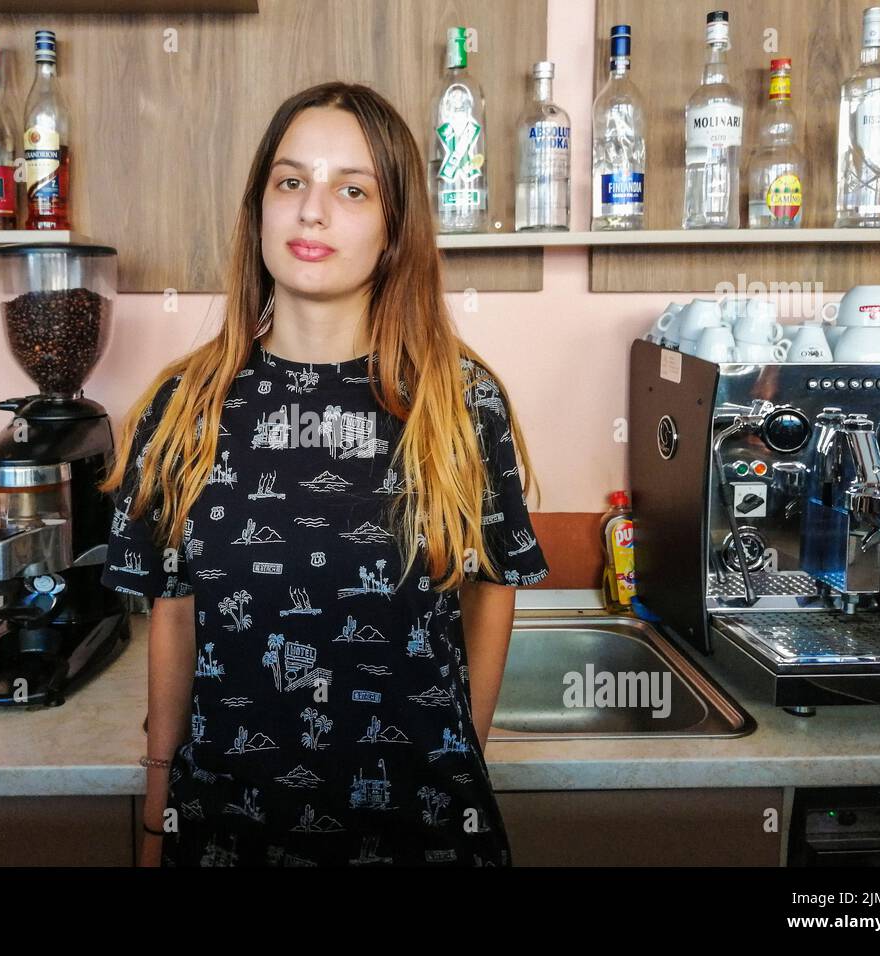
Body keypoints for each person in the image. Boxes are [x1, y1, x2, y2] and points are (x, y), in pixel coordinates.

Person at [99, 81, 550, 867]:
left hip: (421, 832)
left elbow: (493, 585)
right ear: (259, 211)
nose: (313, 211)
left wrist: (458, 759)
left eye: (352, 189)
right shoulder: (184, 406)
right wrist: (156, 812)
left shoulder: (459, 402)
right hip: (229, 831)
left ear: (394, 229)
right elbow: (174, 619)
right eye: (290, 181)